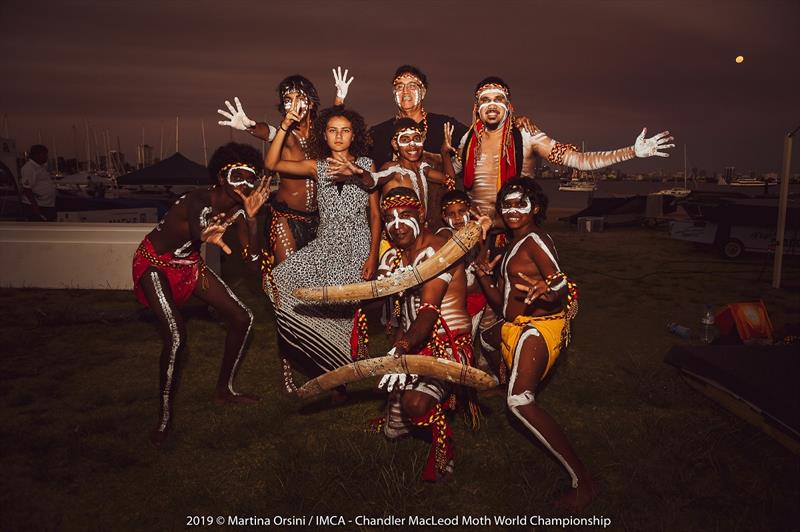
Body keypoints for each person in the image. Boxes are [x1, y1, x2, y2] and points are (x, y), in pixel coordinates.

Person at [217, 68, 354, 390]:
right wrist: (249, 125)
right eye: (287, 98)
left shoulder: (321, 135)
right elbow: (266, 133)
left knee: (318, 295)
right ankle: (291, 366)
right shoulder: (286, 135)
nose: (294, 102)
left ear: (311, 100)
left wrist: (339, 98)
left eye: (300, 96)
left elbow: (335, 123)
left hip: (317, 222)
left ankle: (321, 357)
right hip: (284, 220)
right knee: (290, 292)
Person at [131, 142, 270, 446]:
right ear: (221, 177)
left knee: (242, 318)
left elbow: (252, 262)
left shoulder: (238, 207)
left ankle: (224, 391)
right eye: (238, 175)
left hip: (189, 265)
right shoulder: (198, 199)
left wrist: (250, 219)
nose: (245, 184)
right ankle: (164, 419)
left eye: (251, 178)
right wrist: (206, 234)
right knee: (176, 337)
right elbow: (199, 227)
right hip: (155, 265)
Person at [475, 177, 596, 510]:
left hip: (540, 328)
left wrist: (550, 289)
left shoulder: (535, 241)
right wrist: (485, 276)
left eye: (521, 204)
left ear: (536, 208)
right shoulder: (513, 240)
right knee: (485, 335)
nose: (513, 210)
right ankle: (505, 379)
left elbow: (559, 281)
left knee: (520, 402)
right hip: (516, 324)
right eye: (507, 205)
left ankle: (583, 482)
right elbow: (502, 306)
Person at [264, 104, 381, 394]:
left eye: (345, 130)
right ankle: (314, 350)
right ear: (324, 136)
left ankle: (339, 377)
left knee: (338, 307)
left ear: (354, 135)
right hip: (325, 243)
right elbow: (272, 164)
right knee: (278, 280)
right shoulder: (317, 166)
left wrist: (372, 255)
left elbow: (375, 212)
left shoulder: (367, 164)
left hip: (356, 245)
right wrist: (285, 125)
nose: (339, 136)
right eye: (332, 130)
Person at [373, 187, 487, 482]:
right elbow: (401, 313)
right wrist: (395, 351)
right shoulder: (396, 257)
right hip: (413, 340)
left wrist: (403, 346)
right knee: (393, 428)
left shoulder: (437, 252)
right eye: (389, 218)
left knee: (415, 403)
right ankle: (402, 415)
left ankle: (444, 453)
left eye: (405, 216)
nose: (396, 225)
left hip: (444, 343)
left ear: (421, 214)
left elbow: (427, 312)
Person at [446, 77, 675, 219]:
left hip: (516, 229)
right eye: (485, 100)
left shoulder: (527, 134)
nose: (492, 104)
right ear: (477, 108)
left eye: (499, 99)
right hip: (475, 231)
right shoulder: (469, 139)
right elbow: (451, 172)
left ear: (509, 107)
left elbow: (579, 160)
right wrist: (436, 154)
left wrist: (631, 151)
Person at [368, 65, 468, 229]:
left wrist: (514, 124)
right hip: (396, 228)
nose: (405, 92)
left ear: (424, 92)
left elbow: (478, 139)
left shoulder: (444, 125)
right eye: (399, 87)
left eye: (412, 86)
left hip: (440, 225)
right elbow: (345, 145)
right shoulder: (378, 133)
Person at [436, 189, 487, 340]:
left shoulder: (480, 233)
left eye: (462, 211)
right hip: (454, 302)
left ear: (469, 211)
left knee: (468, 340)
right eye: (451, 214)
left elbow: (481, 261)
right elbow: (448, 243)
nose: (457, 218)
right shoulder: (444, 234)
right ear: (444, 217)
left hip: (476, 299)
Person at [19, 144, 56, 221]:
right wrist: (35, 208)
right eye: (44, 154)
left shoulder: (40, 166)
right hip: (37, 206)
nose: (46, 157)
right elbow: (27, 189)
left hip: (46, 204)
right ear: (36, 155)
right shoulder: (29, 168)